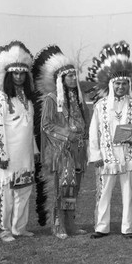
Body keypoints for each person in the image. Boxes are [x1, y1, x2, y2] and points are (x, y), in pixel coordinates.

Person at [0, 41, 40, 242]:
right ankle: (4, 229)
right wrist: (0, 155)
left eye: (22, 74)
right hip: (8, 155)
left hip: (25, 155)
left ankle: (19, 228)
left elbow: (28, 129)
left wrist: (34, 150)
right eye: (15, 73)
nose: (19, 77)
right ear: (9, 75)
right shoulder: (1, 99)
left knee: (24, 191)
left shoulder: (28, 100)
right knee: (6, 194)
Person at [87, 41, 132, 239]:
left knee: (129, 193)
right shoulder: (101, 106)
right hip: (106, 156)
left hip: (128, 155)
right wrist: (95, 155)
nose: (121, 87)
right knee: (104, 193)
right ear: (111, 85)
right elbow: (93, 132)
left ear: (129, 85)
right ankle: (101, 227)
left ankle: (127, 228)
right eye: (117, 84)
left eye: (124, 84)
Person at [34, 45, 90, 239]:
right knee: (62, 187)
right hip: (61, 152)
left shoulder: (79, 100)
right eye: (69, 76)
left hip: (78, 151)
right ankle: (58, 224)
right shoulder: (51, 99)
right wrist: (67, 135)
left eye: (75, 76)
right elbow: (47, 126)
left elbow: (85, 123)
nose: (74, 79)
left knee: (74, 189)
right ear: (61, 79)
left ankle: (70, 222)